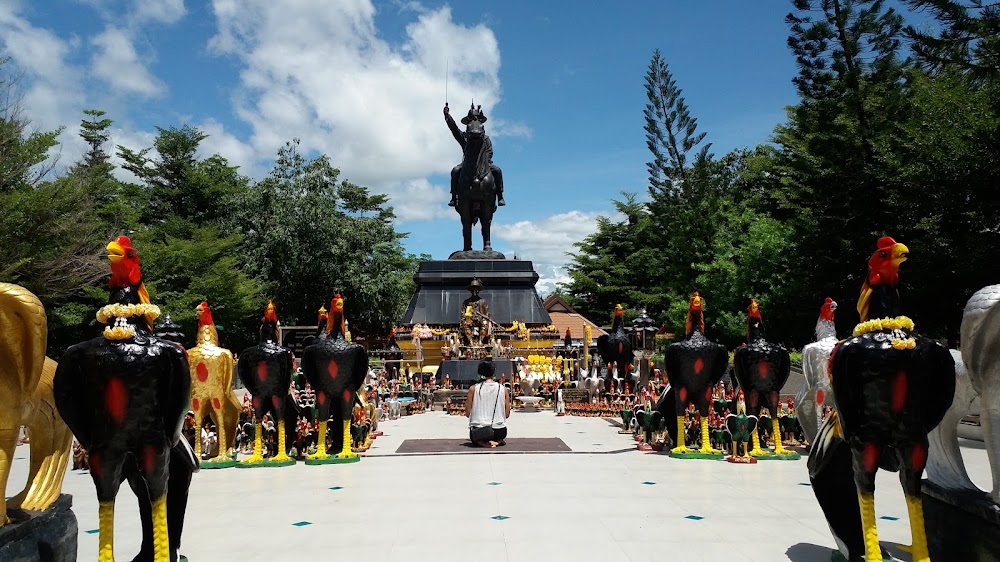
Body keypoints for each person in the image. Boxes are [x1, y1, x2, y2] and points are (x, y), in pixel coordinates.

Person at [444, 103, 505, 207]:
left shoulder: (486, 139)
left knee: (497, 171)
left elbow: (489, 152)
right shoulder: (464, 138)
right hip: (467, 164)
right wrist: (447, 116)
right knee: (455, 171)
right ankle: (454, 197)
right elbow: (454, 128)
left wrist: (486, 161)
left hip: (485, 164)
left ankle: (500, 196)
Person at [465, 360, 510, 447]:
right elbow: (507, 414)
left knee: (475, 436)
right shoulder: (503, 389)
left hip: (479, 432)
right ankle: (497, 442)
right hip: (499, 431)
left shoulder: (473, 389)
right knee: (500, 433)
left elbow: (467, 413)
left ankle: (483, 443)